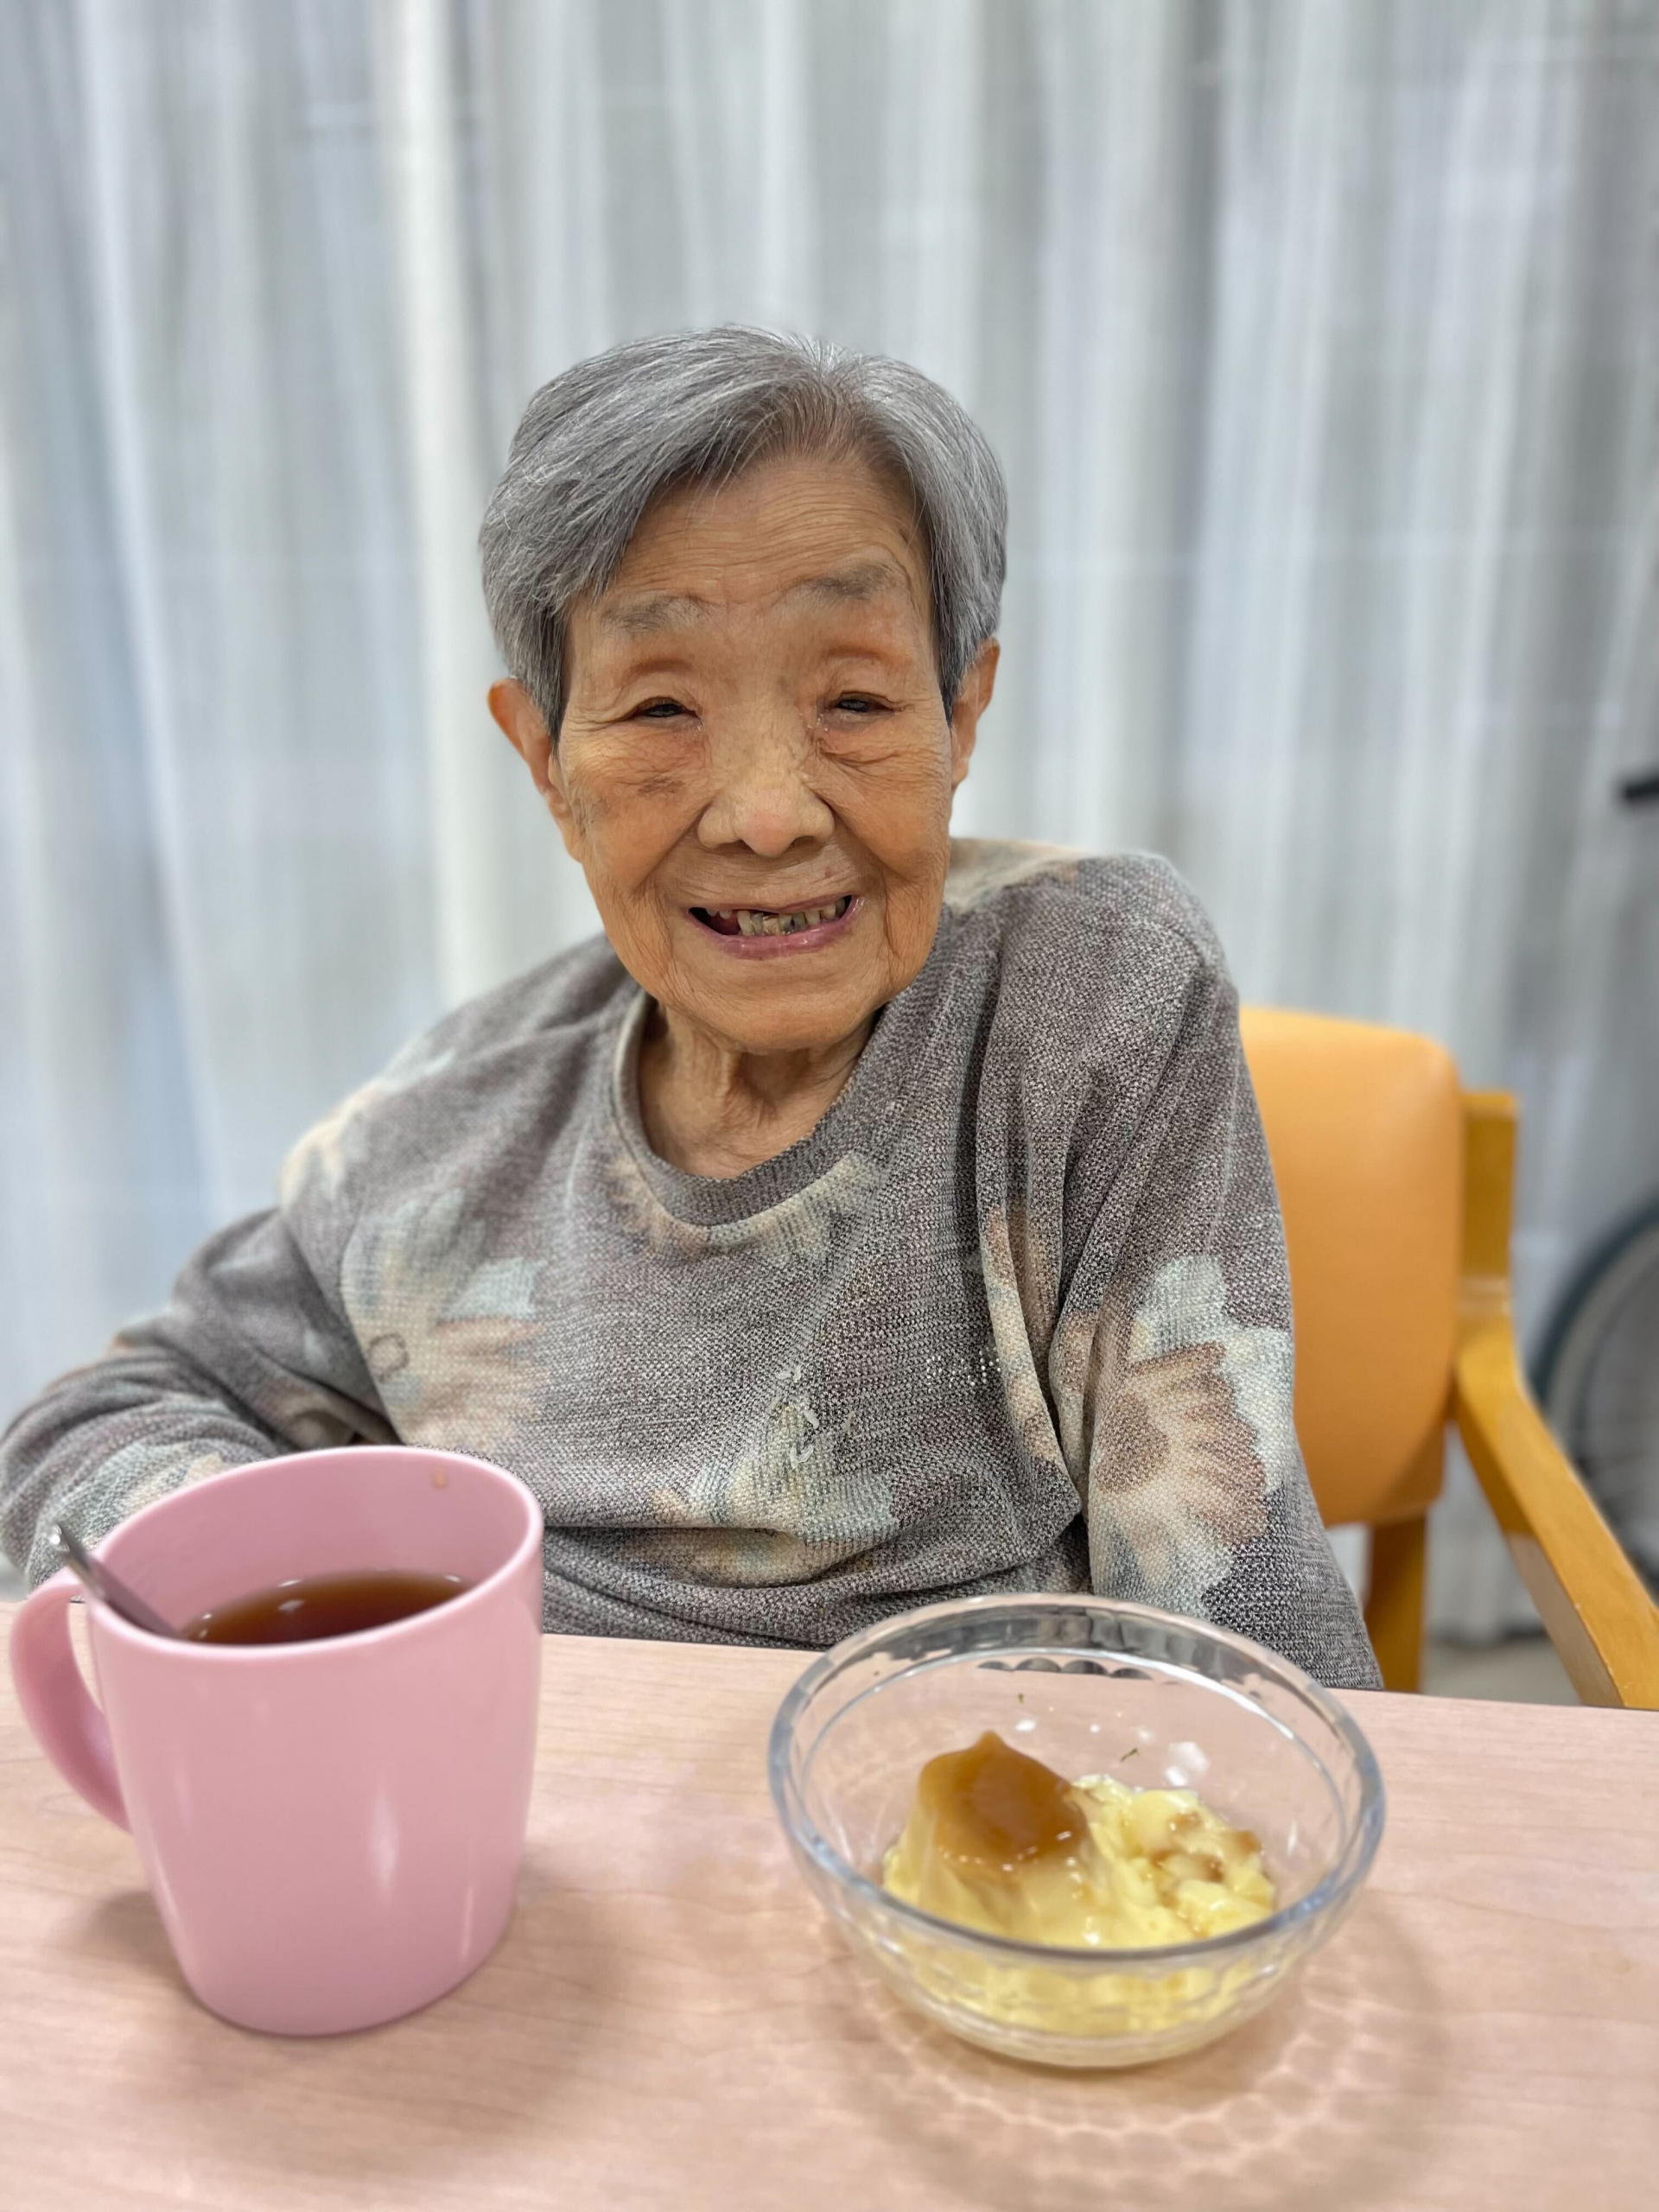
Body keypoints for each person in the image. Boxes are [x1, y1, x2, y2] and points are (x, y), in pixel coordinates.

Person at [0, 327, 1378, 1685]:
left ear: (961, 716)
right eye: (662, 710)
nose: (768, 813)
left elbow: (1230, 1637)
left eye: (855, 700)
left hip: (956, 1795)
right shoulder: (441, 1131)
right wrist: (329, 1621)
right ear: (547, 763)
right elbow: (96, 1424)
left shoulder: (1085, 1002)